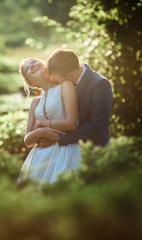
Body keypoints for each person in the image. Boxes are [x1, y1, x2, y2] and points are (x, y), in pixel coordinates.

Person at [17, 58, 81, 186]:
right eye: (27, 68)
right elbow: (27, 141)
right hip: (39, 157)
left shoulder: (65, 86)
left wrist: (42, 123)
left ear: (45, 65)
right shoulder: (35, 103)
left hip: (64, 151)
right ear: (31, 83)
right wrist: (40, 131)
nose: (32, 65)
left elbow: (72, 123)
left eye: (34, 62)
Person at [38, 48, 113, 148]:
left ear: (71, 75)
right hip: (64, 150)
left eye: (58, 81)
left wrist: (57, 137)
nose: (57, 83)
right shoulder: (63, 75)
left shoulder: (99, 84)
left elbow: (95, 127)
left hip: (92, 151)